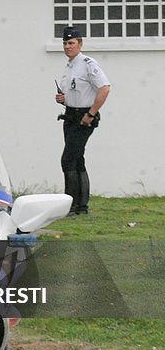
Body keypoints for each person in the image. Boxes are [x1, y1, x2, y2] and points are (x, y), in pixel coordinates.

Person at [55, 26, 110, 215]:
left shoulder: (88, 63)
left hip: (83, 117)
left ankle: (70, 205)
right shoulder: (69, 66)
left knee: (68, 159)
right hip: (70, 115)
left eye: (71, 43)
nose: (67, 47)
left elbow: (104, 88)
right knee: (77, 160)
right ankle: (81, 206)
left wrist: (91, 113)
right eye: (65, 43)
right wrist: (64, 99)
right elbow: (74, 90)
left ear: (80, 44)